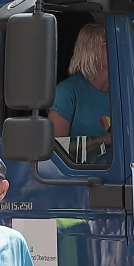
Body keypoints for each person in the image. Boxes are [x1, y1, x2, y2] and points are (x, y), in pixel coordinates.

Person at [48, 23, 112, 163]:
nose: (119, 47)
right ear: (92, 50)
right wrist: (103, 141)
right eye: (111, 42)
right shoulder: (66, 92)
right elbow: (55, 151)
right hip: (83, 178)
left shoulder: (125, 91)